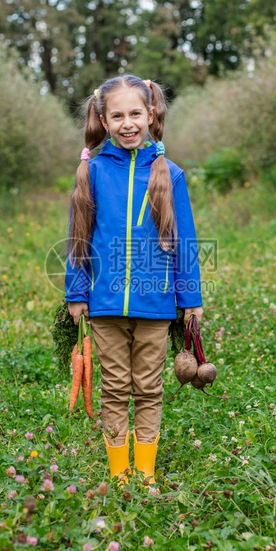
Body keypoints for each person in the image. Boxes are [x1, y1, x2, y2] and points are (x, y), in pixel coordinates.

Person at [65, 74, 203, 483]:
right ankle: (118, 474)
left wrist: (189, 297)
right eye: (118, 115)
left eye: (136, 113)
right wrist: (77, 292)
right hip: (104, 303)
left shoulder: (169, 173)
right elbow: (78, 237)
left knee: (148, 388)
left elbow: (185, 240)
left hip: (155, 304)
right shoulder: (92, 172)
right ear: (103, 120)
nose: (128, 123)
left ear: (151, 114)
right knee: (114, 388)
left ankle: (145, 473)